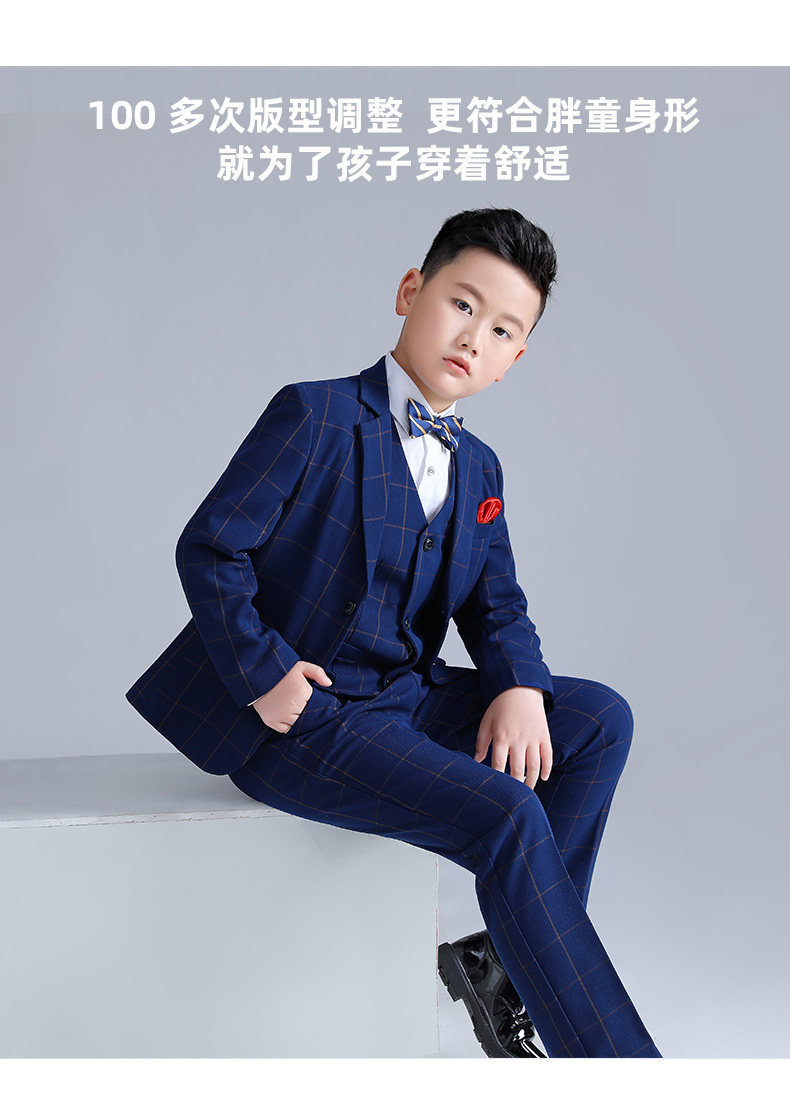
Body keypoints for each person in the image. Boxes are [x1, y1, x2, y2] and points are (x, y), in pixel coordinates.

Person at [126, 207, 662, 1058]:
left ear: (515, 359)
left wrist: (520, 686)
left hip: (407, 702)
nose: (473, 337)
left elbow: (497, 605)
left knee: (599, 721)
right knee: (506, 815)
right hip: (309, 719)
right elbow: (212, 547)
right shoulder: (315, 415)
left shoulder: (478, 467)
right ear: (412, 292)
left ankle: (501, 968)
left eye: (502, 330)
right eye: (461, 304)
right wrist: (265, 677)